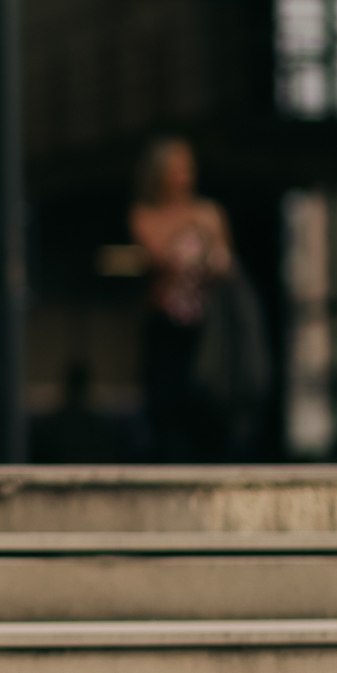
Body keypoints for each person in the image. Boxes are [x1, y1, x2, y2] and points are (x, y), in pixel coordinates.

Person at [129, 138, 234, 462]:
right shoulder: (146, 214)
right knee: (167, 405)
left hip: (205, 325)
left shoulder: (209, 212)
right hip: (166, 324)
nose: (183, 178)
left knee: (205, 399)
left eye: (187, 169)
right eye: (175, 170)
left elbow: (226, 265)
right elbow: (158, 256)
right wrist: (187, 223)